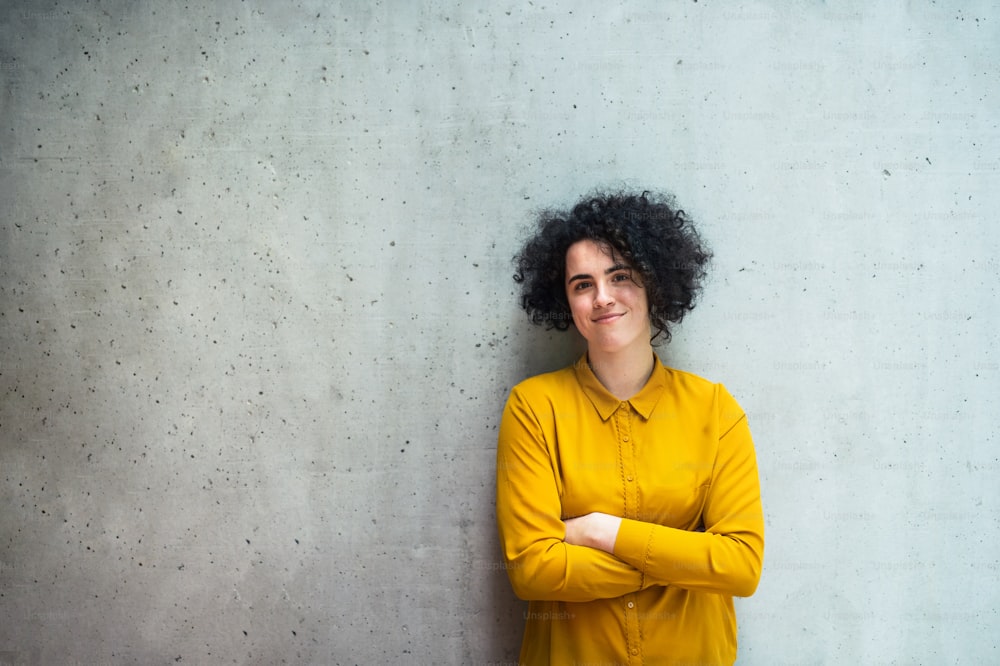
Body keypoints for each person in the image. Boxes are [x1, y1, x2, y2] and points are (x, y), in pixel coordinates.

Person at [495, 190, 764, 664]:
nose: (602, 298)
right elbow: (533, 570)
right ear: (566, 300)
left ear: (653, 282)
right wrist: (687, 560)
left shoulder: (715, 410)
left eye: (619, 276)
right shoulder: (534, 407)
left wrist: (601, 531)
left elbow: (741, 567)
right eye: (582, 284)